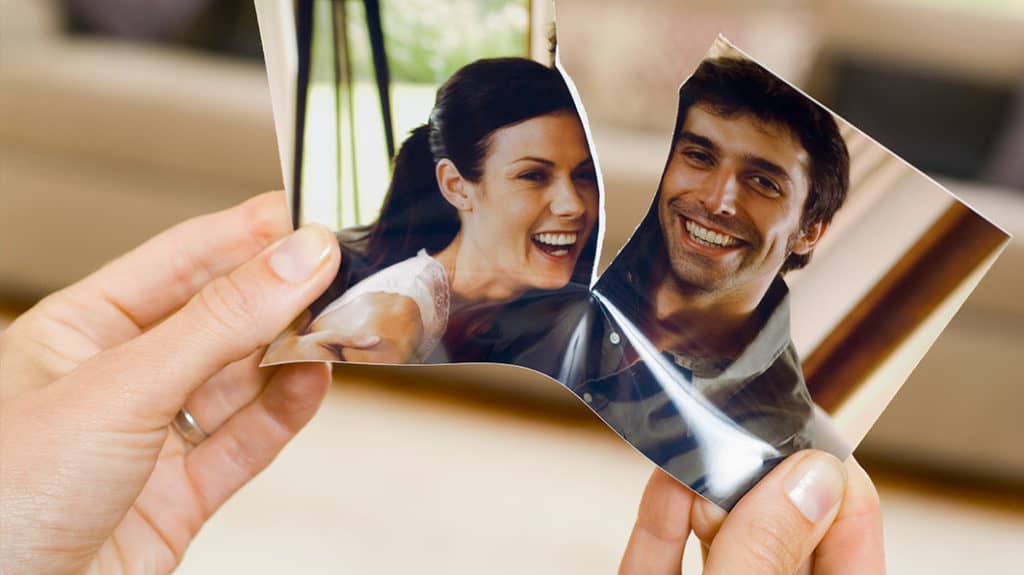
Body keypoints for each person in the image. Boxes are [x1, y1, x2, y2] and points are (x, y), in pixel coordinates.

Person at [0, 191, 883, 574]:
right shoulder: (410, 296)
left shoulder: (781, 380)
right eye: (536, 181)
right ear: (459, 189)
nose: (568, 211)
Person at [570, 56, 851, 510]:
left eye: (762, 182)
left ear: (808, 231)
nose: (718, 200)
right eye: (699, 157)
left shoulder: (782, 444)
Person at [263, 57, 599, 366]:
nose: (574, 205)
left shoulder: (524, 308)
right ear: (456, 186)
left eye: (584, 175)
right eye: (533, 176)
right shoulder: (389, 322)